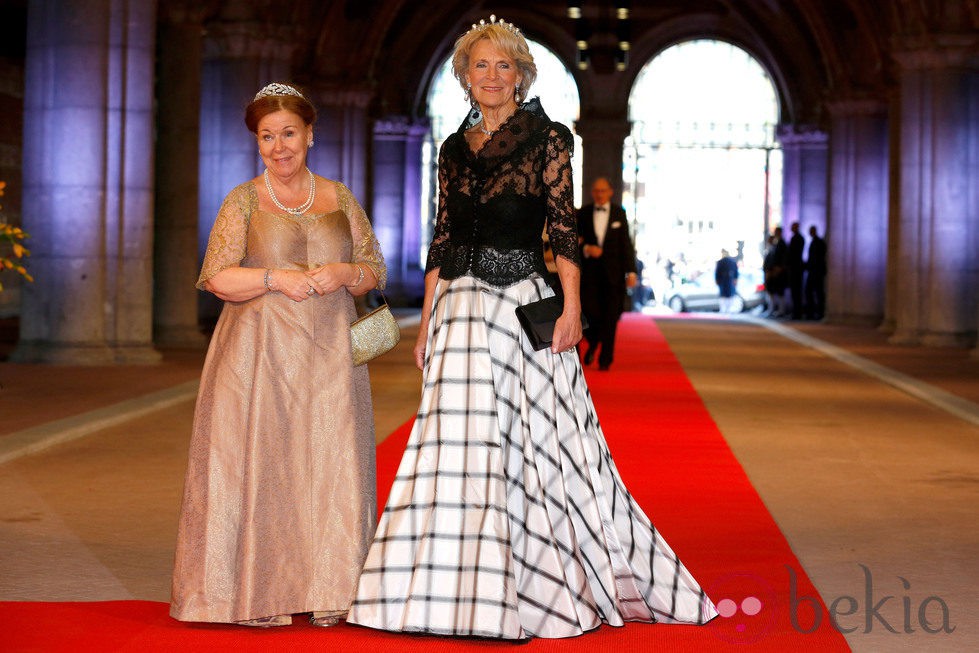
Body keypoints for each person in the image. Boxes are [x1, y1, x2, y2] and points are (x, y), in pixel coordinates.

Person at [347, 16, 716, 640]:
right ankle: (441, 590)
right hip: (460, 310)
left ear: (521, 73)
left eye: (504, 66)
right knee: (452, 445)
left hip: (520, 306)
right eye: (480, 66)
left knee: (529, 443)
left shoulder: (547, 139)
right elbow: (444, 238)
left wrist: (572, 308)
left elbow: (562, 230)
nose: (491, 77)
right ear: (464, 75)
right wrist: (425, 322)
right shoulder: (451, 149)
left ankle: (536, 582)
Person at [170, 82, 387, 628]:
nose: (279, 146)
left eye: (289, 133)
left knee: (332, 462)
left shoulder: (341, 197)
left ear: (310, 134)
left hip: (329, 354)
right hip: (256, 355)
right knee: (263, 465)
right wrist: (273, 278)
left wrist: (344, 273)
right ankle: (256, 589)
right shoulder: (243, 199)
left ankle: (333, 585)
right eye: (268, 137)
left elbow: (374, 271)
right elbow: (216, 277)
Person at [577, 177, 638, 370]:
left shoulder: (620, 213)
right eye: (596, 190)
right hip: (590, 275)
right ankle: (594, 342)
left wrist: (631, 271)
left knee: (611, 317)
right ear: (592, 192)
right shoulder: (584, 213)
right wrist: (587, 248)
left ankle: (606, 359)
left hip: (614, 274)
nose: (599, 194)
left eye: (603, 191)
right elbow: (574, 243)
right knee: (590, 313)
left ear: (610, 192)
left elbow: (626, 245)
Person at [763, 227, 788, 317]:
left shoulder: (780, 245)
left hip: (777, 272)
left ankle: (780, 310)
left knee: (778, 291)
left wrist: (778, 268)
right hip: (773, 271)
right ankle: (774, 309)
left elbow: (782, 258)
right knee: (773, 291)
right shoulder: (775, 246)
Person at [805, 225, 827, 319]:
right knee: (810, 292)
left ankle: (819, 313)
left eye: (811, 231)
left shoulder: (819, 242)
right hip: (813, 271)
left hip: (817, 271)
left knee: (818, 293)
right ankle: (812, 312)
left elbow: (819, 257)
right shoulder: (814, 242)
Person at [788, 221, 805, 319]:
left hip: (796, 268)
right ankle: (796, 312)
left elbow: (794, 254)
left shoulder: (797, 238)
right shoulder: (797, 238)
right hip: (796, 268)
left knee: (796, 291)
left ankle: (797, 313)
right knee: (795, 292)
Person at [714, 248, 739, 313]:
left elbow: (717, 273)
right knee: (727, 301)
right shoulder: (731, 262)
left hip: (726, 284)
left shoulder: (722, 262)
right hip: (726, 283)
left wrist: (717, 281)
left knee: (726, 301)